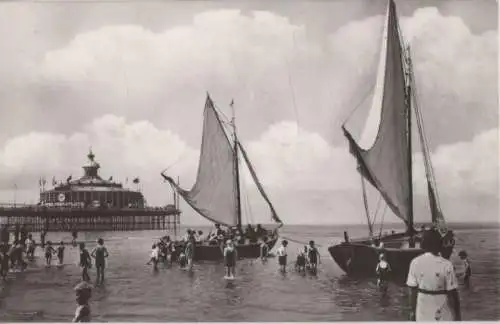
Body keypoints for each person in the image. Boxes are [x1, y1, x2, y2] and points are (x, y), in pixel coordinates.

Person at [406, 228, 461, 321]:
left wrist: (412, 312)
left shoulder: (415, 262)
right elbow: (452, 294)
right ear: (439, 244)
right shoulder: (446, 264)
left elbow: (412, 292)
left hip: (422, 307)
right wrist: (458, 316)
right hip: (442, 309)